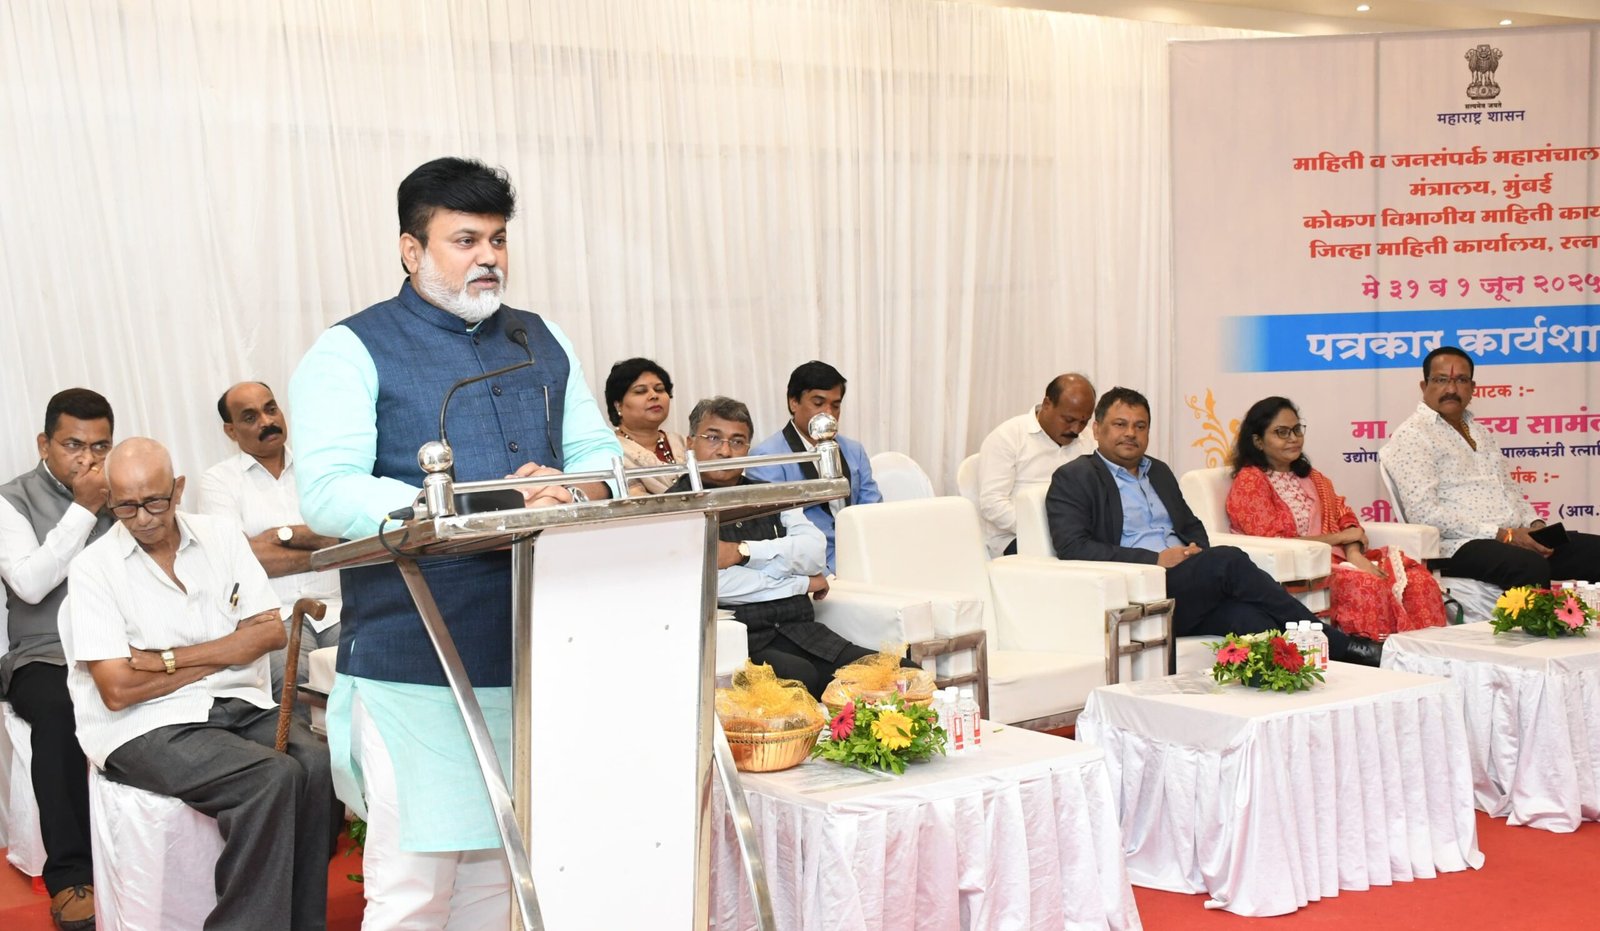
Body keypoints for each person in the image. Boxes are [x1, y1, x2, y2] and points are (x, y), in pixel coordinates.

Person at [288, 156, 620, 929]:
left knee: (499, 888)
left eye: (498, 240)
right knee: (414, 893)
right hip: (417, 664)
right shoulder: (350, 348)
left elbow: (600, 458)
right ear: (412, 250)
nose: (489, 257)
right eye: (465, 240)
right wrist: (483, 499)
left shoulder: (539, 338)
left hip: (539, 653)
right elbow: (329, 490)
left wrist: (574, 487)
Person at [60, 438, 338, 931]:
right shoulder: (92, 569)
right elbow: (118, 690)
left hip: (236, 700)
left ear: (178, 489)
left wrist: (164, 661)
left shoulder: (221, 537)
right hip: (142, 725)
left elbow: (269, 633)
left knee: (317, 763)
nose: (142, 518)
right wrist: (226, 650)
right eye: (125, 506)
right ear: (110, 500)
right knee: (271, 778)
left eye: (154, 502)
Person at [1046, 387, 1380, 666]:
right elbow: (1073, 546)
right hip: (1142, 588)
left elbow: (1191, 525)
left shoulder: (1158, 472)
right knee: (1228, 560)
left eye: (1140, 425)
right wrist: (1156, 559)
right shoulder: (1075, 477)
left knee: (1252, 620)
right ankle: (1339, 645)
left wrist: (1195, 550)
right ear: (1097, 429)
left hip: (1187, 584)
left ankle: (1302, 688)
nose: (1131, 433)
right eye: (1120, 424)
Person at [666, 397, 878, 698]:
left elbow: (813, 552)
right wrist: (801, 582)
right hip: (742, 642)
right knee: (801, 679)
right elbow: (717, 586)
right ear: (690, 443)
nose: (725, 451)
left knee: (903, 672)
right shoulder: (674, 507)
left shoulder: (767, 493)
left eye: (737, 441)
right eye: (713, 438)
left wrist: (743, 552)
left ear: (747, 448)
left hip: (803, 632)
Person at [0, 389, 115, 931]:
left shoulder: (122, 490)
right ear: (44, 444)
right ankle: (71, 875)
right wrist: (84, 509)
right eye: (74, 445)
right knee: (60, 710)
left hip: (117, 644)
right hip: (44, 655)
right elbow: (29, 583)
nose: (88, 459)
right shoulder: (11, 500)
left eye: (100, 446)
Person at [1227, 397, 1447, 640]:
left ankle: (1426, 653)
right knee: (1368, 586)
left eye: (1297, 429)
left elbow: (1345, 517)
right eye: (1282, 432)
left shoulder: (1312, 477)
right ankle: (1374, 655)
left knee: (1419, 581)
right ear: (1258, 441)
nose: (1293, 438)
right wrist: (1340, 538)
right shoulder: (1250, 481)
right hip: (1300, 571)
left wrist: (1354, 555)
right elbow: (1275, 542)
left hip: (1339, 559)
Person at [1381, 345, 1600, 589]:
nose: (1451, 389)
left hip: (1511, 537)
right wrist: (1502, 535)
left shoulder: (1480, 432)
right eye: (1441, 380)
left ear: (1472, 388)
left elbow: (1510, 491)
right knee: (1529, 565)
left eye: (1461, 380)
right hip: (1457, 545)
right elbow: (1424, 513)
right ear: (1424, 386)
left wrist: (1535, 526)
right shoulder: (1413, 436)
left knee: (1594, 551)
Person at [200, 381, 343, 706]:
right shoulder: (218, 481)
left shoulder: (319, 468)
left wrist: (280, 536)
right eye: (250, 417)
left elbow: (344, 534)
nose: (267, 422)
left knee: (372, 676)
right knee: (297, 696)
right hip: (272, 618)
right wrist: (326, 551)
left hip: (339, 609)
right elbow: (237, 560)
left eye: (270, 409)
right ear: (231, 431)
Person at [747, 360, 881, 573]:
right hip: (810, 566)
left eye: (835, 406)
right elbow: (776, 532)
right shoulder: (767, 457)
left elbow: (873, 512)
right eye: (818, 403)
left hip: (862, 555)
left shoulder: (854, 450)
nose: (828, 413)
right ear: (793, 403)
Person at [975, 373, 1096, 557]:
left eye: (1084, 422)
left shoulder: (1089, 440)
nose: (1076, 429)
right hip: (1016, 537)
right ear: (1047, 404)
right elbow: (993, 503)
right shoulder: (1008, 437)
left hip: (1074, 536)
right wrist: (1044, 530)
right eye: (1069, 420)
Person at [604, 357, 687, 494]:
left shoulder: (684, 443)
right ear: (618, 405)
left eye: (660, 389)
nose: (654, 395)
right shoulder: (610, 451)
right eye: (640, 391)